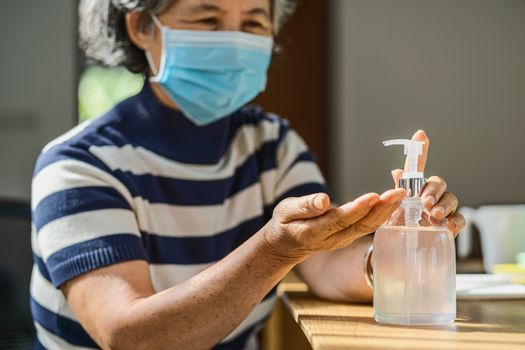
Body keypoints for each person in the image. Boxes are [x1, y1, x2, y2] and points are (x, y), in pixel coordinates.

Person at [30, 0, 465, 349]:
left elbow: (327, 263)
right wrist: (272, 253)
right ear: (142, 26)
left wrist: (397, 249)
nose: (235, 41)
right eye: (207, 18)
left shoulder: (271, 144)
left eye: (254, 23)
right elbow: (131, 337)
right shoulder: (79, 165)